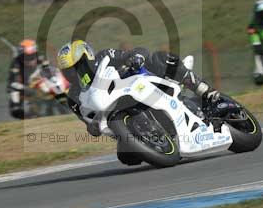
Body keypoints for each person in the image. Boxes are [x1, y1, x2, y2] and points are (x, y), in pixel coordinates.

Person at [56, 40, 221, 137]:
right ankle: (148, 140)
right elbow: (88, 122)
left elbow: (137, 51)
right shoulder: (74, 96)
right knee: (127, 157)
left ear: (88, 55)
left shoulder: (104, 56)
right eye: (68, 71)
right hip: (118, 114)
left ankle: (203, 90)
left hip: (146, 84)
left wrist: (136, 57)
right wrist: (92, 126)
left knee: (158, 58)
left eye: (77, 66)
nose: (73, 73)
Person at [7, 39, 46, 119]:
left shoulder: (41, 59)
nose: (30, 60)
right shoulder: (16, 63)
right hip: (25, 87)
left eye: (32, 56)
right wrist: (26, 88)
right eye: (26, 57)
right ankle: (30, 116)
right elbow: (13, 83)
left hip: (41, 85)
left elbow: (52, 71)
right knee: (15, 109)